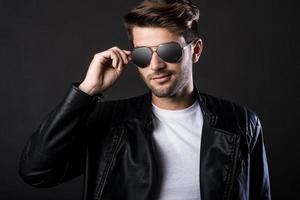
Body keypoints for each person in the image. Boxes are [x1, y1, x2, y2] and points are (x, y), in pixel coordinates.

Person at [19, 0, 271, 199]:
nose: (155, 65)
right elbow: (36, 172)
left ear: (195, 50)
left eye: (168, 51)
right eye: (142, 55)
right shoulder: (110, 122)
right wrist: (87, 91)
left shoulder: (240, 123)